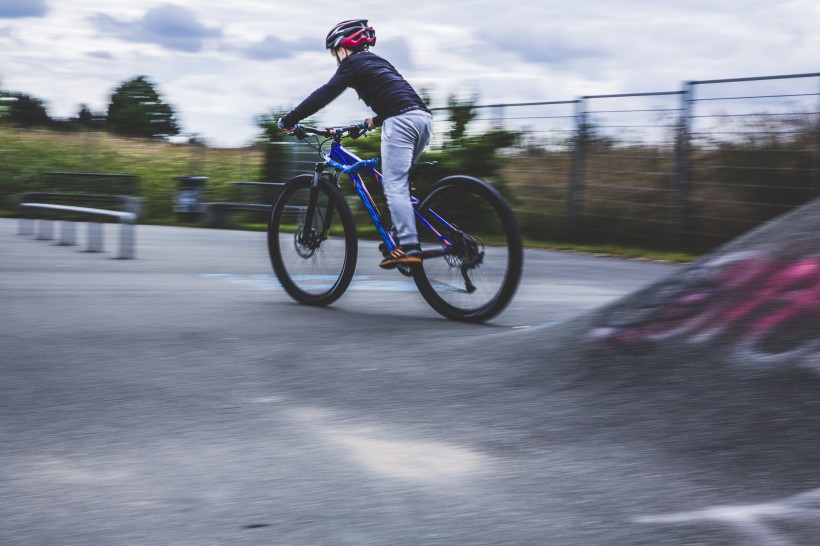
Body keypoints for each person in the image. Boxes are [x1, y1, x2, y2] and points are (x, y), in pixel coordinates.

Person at [278, 19, 433, 269]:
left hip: (401, 122)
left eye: (334, 53)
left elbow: (325, 93)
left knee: (393, 186)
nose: (336, 59)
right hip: (422, 119)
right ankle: (399, 234)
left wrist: (291, 119)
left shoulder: (350, 63)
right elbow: (399, 94)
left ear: (342, 48)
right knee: (400, 183)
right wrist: (373, 120)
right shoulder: (379, 62)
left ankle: (409, 246)